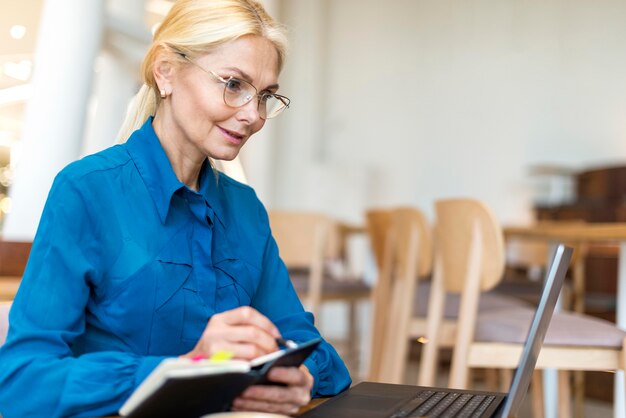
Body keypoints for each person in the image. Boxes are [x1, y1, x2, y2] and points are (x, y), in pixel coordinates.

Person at [0, 0, 351, 416]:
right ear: (166, 71)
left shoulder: (246, 209)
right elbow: (20, 380)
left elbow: (315, 352)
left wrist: (299, 376)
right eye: (234, 84)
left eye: (267, 95)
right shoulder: (87, 190)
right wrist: (183, 370)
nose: (254, 116)